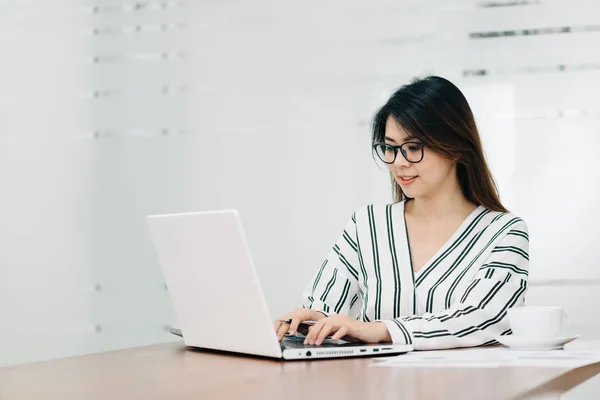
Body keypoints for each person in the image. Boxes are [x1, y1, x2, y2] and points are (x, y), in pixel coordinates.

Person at [274, 76, 529, 351]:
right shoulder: (367, 225)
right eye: (390, 148)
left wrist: (382, 330)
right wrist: (314, 319)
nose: (398, 162)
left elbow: (487, 317)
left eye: (414, 148)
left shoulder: (504, 232)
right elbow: (325, 304)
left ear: (455, 146)